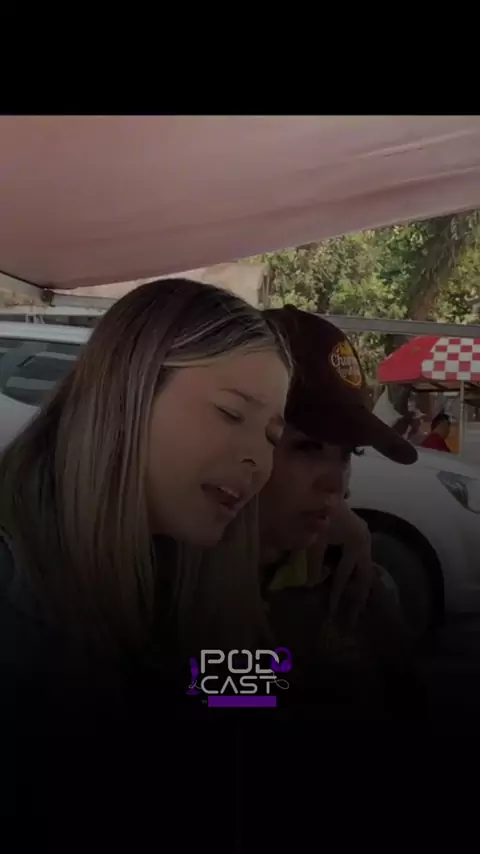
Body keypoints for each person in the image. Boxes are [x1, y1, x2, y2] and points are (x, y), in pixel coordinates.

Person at [0, 277, 291, 733]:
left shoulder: (191, 564)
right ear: (129, 389)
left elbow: (241, 713)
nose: (258, 457)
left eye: (273, 436)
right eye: (231, 413)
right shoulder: (16, 586)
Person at [258, 305, 421, 720]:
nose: (336, 484)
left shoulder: (352, 583)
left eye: (348, 453)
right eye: (307, 447)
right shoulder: (156, 578)